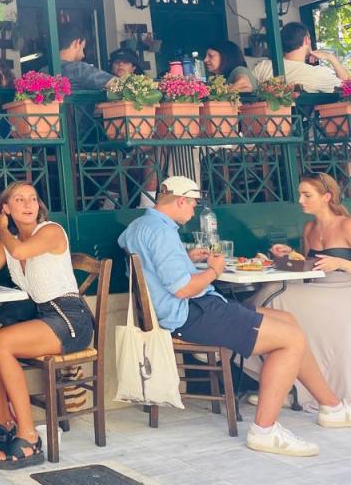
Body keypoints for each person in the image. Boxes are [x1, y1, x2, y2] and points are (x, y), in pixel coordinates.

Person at [118, 175, 351, 457]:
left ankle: (332, 408)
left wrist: (186, 258)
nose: (193, 210)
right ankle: (265, 430)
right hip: (191, 313)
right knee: (291, 339)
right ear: (180, 201)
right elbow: (183, 289)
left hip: (189, 309)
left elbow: (155, 266)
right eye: (192, 204)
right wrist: (214, 270)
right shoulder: (162, 232)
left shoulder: (140, 226)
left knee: (288, 321)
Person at [0, 183, 94, 470]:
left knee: (1, 342)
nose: (28, 204)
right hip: (41, 315)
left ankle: (28, 436)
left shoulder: (50, 231)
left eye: (33, 199)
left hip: (70, 319)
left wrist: (2, 229)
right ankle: (3, 423)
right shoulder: (8, 242)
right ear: (6, 208)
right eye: (19, 199)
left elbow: (21, 252)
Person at [242, 173, 351, 411]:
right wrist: (285, 256)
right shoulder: (309, 227)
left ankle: (233, 333)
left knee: (276, 294)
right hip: (317, 287)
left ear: (327, 197)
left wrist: (341, 263)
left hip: (344, 289)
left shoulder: (346, 225)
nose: (300, 200)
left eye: (307, 195)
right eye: (300, 194)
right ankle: (282, 384)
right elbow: (306, 266)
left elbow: (334, 265)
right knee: (271, 291)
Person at [252, 21, 349, 91]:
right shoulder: (318, 73)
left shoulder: (263, 66)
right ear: (307, 40)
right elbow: (348, 88)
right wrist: (331, 58)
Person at [58, 22, 113, 90]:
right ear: (77, 43)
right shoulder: (79, 69)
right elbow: (121, 86)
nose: (83, 55)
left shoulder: (46, 70)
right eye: (83, 49)